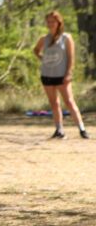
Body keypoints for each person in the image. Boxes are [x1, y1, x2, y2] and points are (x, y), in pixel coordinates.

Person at [33, 11, 89, 139]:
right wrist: (43, 59)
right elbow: (36, 50)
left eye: (53, 21)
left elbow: (71, 57)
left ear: (59, 22)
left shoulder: (66, 38)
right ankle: (59, 129)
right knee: (54, 103)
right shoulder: (44, 38)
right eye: (48, 21)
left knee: (69, 101)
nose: (50, 24)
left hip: (62, 74)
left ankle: (82, 129)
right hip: (47, 74)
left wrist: (69, 73)